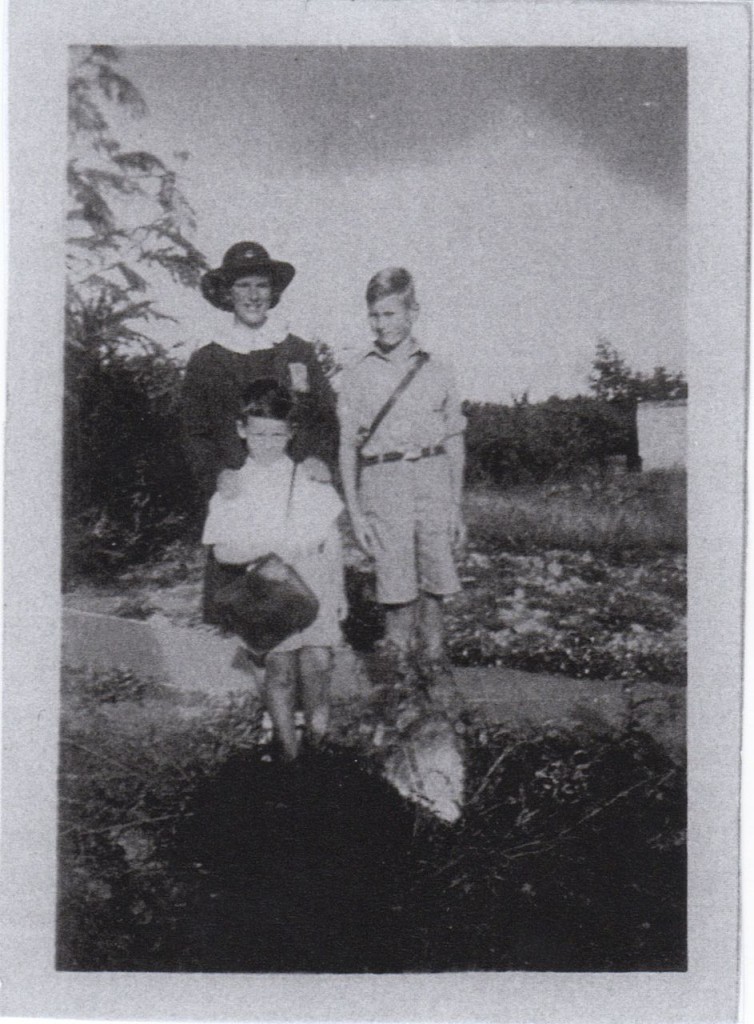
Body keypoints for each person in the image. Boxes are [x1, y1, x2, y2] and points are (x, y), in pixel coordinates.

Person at [181, 241, 339, 624]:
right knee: (242, 606)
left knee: (300, 597)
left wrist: (319, 457)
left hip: (291, 487)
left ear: (273, 292)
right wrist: (217, 473)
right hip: (240, 489)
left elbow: (324, 416)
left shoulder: (297, 350)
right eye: (243, 286)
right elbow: (194, 432)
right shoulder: (207, 359)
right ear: (227, 293)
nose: (253, 296)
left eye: (261, 286)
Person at [202, 379, 346, 760]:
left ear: (291, 433)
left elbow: (330, 540)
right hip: (268, 590)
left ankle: (318, 745)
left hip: (315, 582)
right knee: (279, 670)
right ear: (241, 430)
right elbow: (223, 551)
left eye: (277, 434)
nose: (268, 442)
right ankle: (289, 753)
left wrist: (340, 591)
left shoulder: (309, 478)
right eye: (259, 433)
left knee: (318, 666)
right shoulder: (232, 487)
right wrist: (265, 546)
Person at [338, 267, 466, 689]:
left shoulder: (440, 368)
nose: (381, 324)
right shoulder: (356, 372)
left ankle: (434, 682)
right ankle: (398, 695)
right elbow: (346, 449)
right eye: (374, 315)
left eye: (391, 314)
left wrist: (455, 507)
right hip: (383, 482)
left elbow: (453, 442)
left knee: (435, 587)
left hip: (433, 481)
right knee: (396, 593)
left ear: (413, 312)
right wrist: (355, 515)